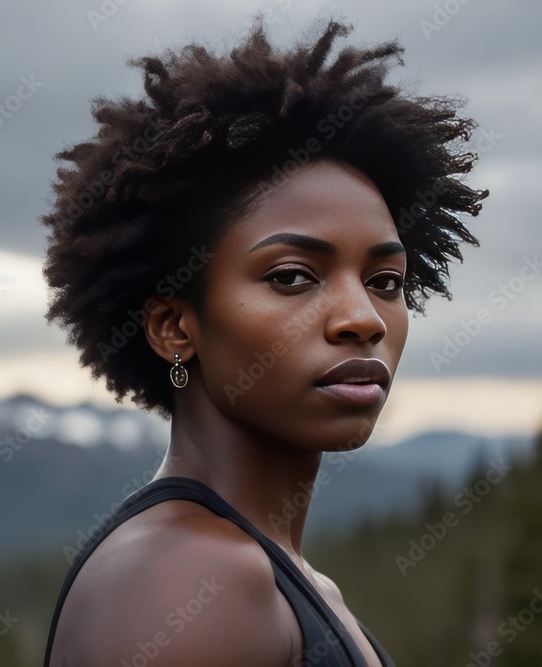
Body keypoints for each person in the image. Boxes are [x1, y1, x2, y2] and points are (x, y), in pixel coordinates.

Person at [39, 16, 488, 667]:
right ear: (175, 327)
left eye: (385, 279)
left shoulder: (281, 579)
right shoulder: (191, 579)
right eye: (291, 276)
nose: (362, 317)